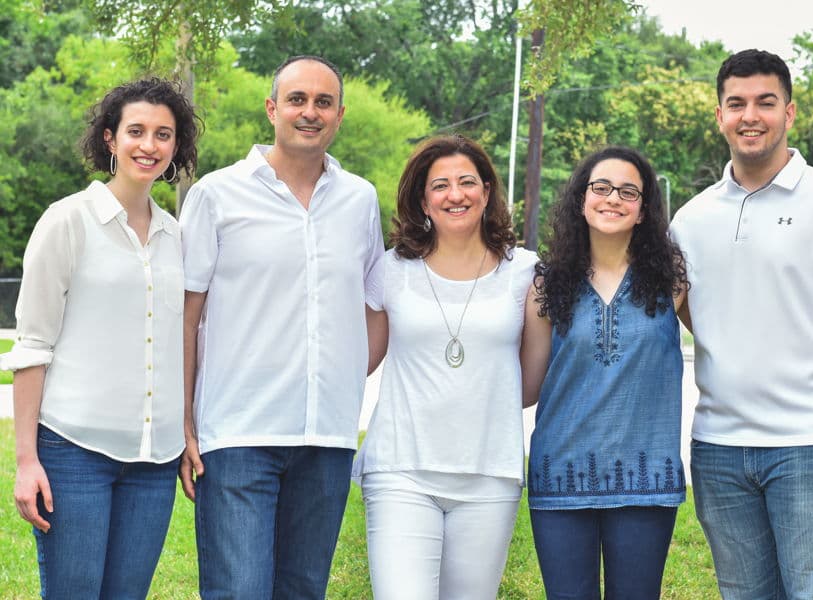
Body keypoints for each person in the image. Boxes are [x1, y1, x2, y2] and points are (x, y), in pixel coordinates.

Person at [669, 49, 813, 599]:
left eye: (765, 102)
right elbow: (690, 310)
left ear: (789, 113)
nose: (750, 115)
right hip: (719, 447)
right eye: (736, 103)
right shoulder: (690, 219)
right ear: (719, 116)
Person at [178, 55, 385, 599]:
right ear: (272, 109)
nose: (309, 112)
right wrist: (185, 423)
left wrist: (340, 375)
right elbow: (186, 316)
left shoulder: (360, 199)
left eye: (323, 102)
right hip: (238, 434)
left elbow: (374, 305)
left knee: (303, 591)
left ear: (339, 115)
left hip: (327, 437)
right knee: (239, 591)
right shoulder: (216, 195)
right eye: (297, 99)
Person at [2, 78, 199, 599]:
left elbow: (180, 342)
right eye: (136, 131)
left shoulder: (176, 236)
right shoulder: (67, 221)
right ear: (110, 138)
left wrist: (184, 431)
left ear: (175, 146)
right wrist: (26, 461)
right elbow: (33, 347)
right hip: (74, 453)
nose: (149, 145)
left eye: (163, 134)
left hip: (154, 461)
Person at [353, 134, 536, 599]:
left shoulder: (526, 272)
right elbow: (358, 361)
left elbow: (531, 382)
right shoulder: (391, 269)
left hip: (490, 474)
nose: (456, 194)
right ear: (423, 201)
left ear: (487, 192)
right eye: (440, 185)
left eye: (467, 182)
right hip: (400, 471)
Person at [520, 146, 688, 599]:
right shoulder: (546, 284)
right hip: (560, 475)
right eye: (601, 187)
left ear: (643, 210)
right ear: (582, 199)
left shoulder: (672, 280)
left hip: (646, 480)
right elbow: (526, 387)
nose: (613, 198)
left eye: (628, 192)